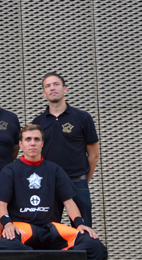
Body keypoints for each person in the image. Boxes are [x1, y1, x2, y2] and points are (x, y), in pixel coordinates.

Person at [0, 125, 107, 260]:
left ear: (42, 143)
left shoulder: (55, 169)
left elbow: (69, 202)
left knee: (94, 246)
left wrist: (79, 223)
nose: (32, 143)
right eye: (28, 139)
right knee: (6, 246)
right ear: (20, 144)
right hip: (24, 228)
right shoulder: (10, 170)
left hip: (51, 229)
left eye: (36, 139)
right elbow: (1, 204)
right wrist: (7, 224)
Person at [32, 72, 100, 228]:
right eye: (48, 86)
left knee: (83, 230)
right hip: (48, 183)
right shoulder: (38, 122)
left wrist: (84, 180)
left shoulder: (83, 118)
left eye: (56, 84)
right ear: (44, 93)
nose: (52, 88)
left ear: (65, 89)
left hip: (77, 182)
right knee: (48, 230)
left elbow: (94, 155)